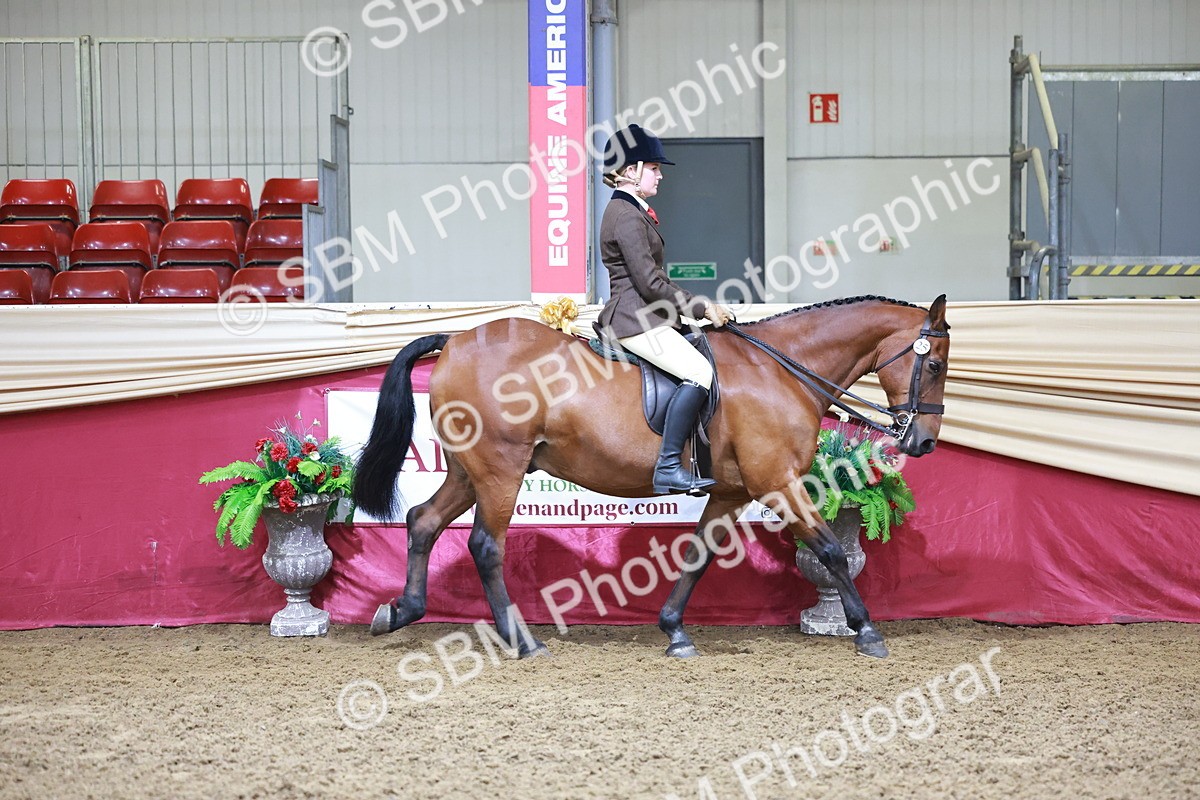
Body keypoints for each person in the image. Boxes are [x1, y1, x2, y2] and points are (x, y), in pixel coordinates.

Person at [595, 124, 733, 495]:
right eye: (653, 168)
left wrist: (698, 308)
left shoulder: (632, 212)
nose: (659, 175)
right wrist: (701, 307)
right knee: (699, 372)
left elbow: (658, 280)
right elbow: (650, 284)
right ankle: (669, 466)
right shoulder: (625, 216)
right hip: (633, 319)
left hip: (645, 313)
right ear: (630, 171)